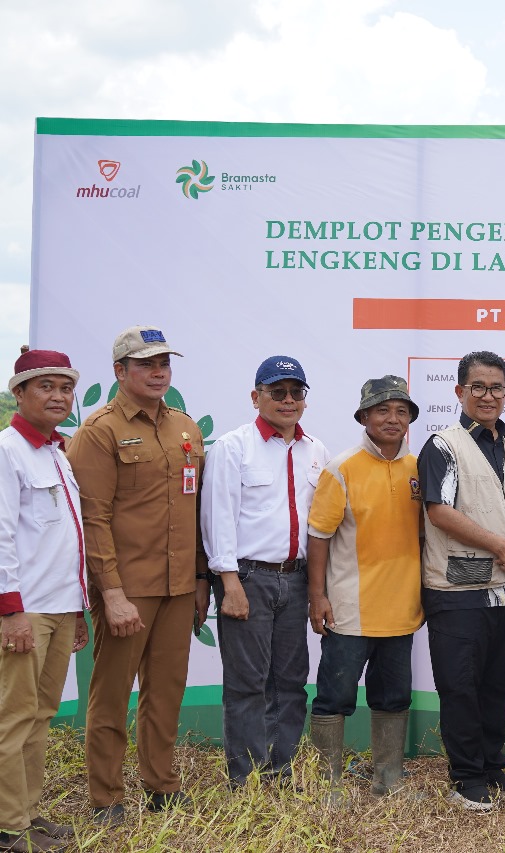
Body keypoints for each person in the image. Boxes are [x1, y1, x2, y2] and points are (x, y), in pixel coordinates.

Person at [65, 326, 208, 824]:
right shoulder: (99, 431)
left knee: (166, 691)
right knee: (110, 695)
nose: (158, 371)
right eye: (145, 364)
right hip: (127, 589)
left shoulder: (186, 427)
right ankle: (105, 796)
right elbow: (92, 520)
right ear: (119, 372)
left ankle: (161, 785)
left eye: (164, 363)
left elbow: (196, 513)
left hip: (178, 585)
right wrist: (112, 594)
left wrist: (200, 580)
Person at [419, 352, 505, 811]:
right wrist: (502, 547)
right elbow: (439, 510)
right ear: (459, 392)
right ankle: (466, 777)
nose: (488, 396)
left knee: (498, 683)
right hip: (457, 589)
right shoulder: (443, 445)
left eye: (496, 388)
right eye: (478, 387)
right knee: (460, 685)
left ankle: (493, 766)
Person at [200, 356, 329, 787]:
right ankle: (247, 779)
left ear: (305, 401)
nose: (288, 400)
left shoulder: (317, 451)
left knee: (291, 682)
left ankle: (281, 770)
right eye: (277, 392)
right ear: (256, 397)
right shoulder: (232, 447)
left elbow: (319, 525)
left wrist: (316, 588)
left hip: (296, 577)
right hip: (248, 579)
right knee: (247, 684)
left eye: (296, 392)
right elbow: (217, 518)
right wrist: (228, 582)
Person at [306, 376, 424, 800]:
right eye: (382, 410)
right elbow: (318, 536)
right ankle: (327, 784)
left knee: (393, 696)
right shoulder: (342, 467)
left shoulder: (419, 469)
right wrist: (316, 596)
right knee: (334, 696)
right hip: (348, 608)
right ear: (364, 417)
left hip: (402, 609)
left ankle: (388, 779)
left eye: (401, 411)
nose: (393, 419)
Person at [0, 351, 88, 853]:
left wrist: (76, 609)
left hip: (58, 606)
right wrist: (10, 612)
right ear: (20, 393)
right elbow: (3, 536)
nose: (58, 397)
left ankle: (29, 813)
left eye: (65, 388)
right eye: (45, 387)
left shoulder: (57, 452)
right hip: (25, 610)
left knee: (40, 715)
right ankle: (9, 826)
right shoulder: (8, 450)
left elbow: (63, 540)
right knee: (13, 717)